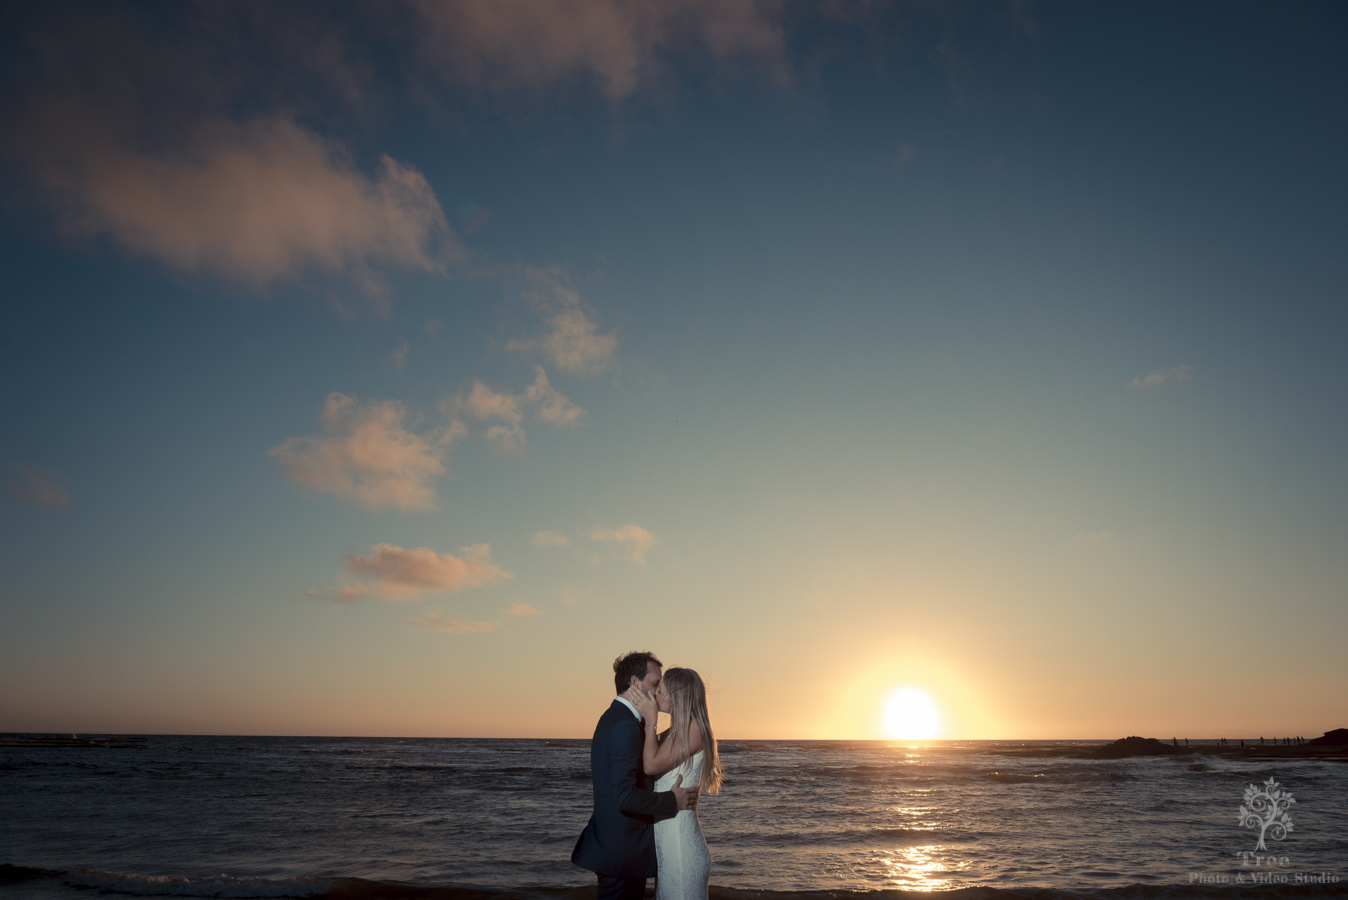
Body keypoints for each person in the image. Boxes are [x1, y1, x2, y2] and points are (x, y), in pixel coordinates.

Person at [573, 652, 699, 900]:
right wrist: (672, 800)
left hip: (620, 851)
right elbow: (624, 796)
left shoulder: (617, 719)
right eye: (654, 684)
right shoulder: (625, 726)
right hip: (622, 854)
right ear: (634, 682)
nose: (658, 692)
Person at [626, 667, 722, 900]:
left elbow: (650, 765)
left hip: (681, 851)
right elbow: (643, 755)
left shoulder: (694, 729)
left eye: (661, 688)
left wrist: (651, 719)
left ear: (677, 694)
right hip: (669, 850)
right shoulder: (675, 732)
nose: (656, 693)